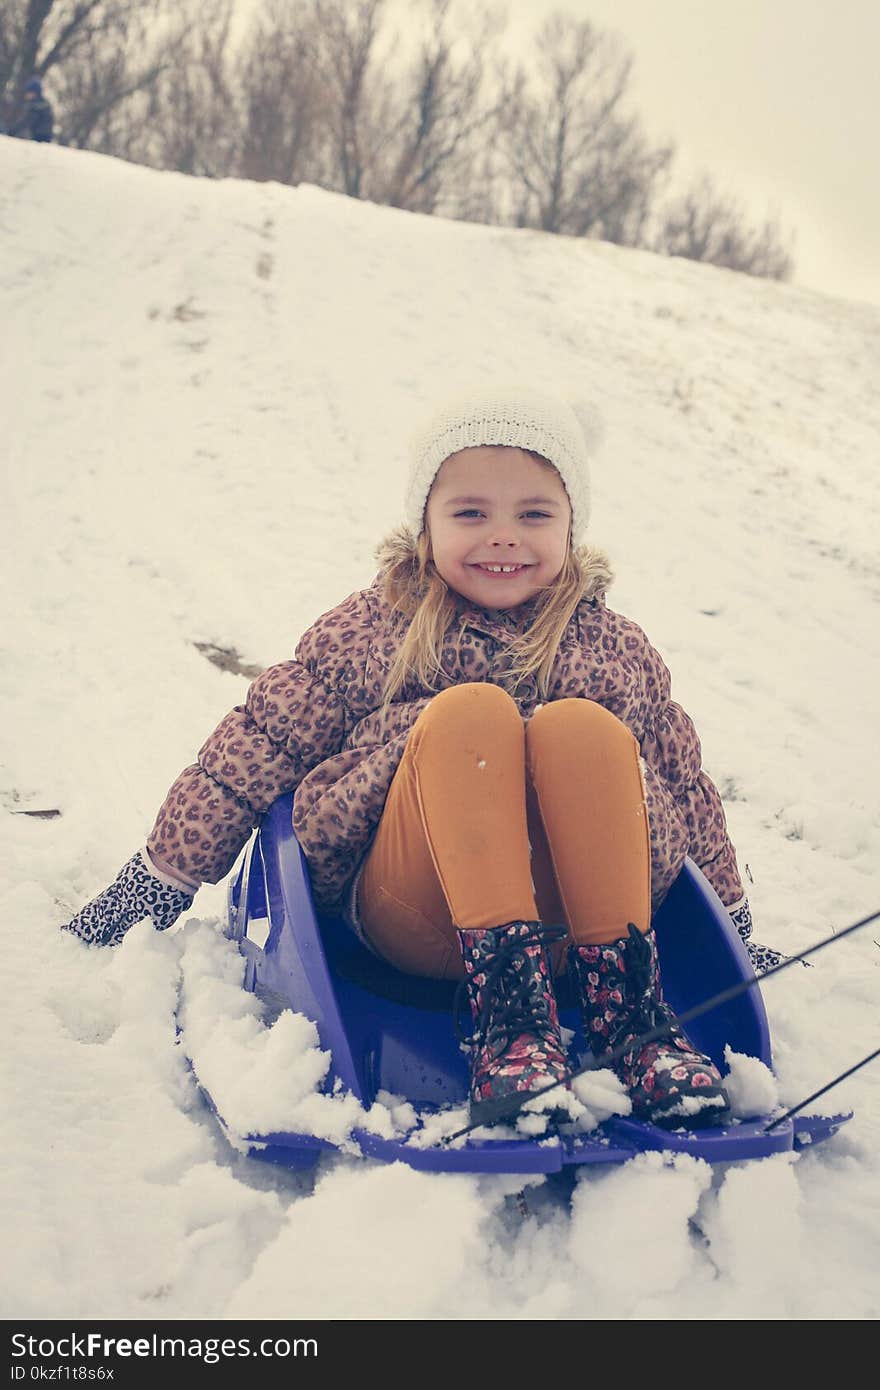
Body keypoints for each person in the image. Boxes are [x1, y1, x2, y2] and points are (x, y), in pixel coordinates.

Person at [62, 387, 782, 1129]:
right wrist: (157, 882)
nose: (504, 536)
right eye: (470, 513)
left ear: (574, 526)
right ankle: (510, 1019)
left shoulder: (617, 649)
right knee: (471, 714)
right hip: (417, 912)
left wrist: (732, 928)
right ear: (424, 526)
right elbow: (257, 746)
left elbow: (684, 790)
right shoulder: (377, 629)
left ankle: (629, 1016)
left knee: (583, 729)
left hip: (583, 930)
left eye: (534, 514)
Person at [8, 77, 54, 143]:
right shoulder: (43, 103)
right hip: (45, 137)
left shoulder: (36, 106)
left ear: (34, 93)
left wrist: (11, 131)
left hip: (39, 138)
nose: (26, 94)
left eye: (28, 92)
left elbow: (26, 121)